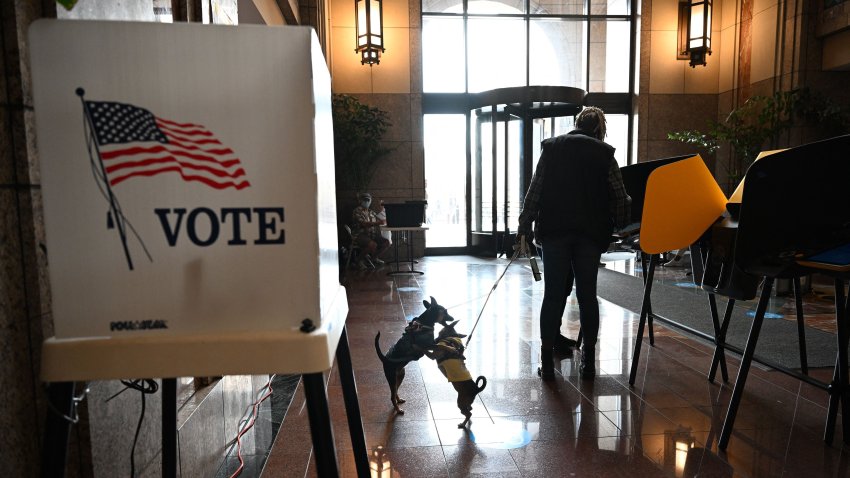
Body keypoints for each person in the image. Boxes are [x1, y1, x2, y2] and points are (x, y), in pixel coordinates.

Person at [517, 107, 631, 380]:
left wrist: (524, 225)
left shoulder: (553, 148)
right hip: (589, 235)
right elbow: (619, 197)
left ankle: (546, 360)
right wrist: (620, 226)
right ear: (599, 129)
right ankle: (588, 360)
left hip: (555, 233)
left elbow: (535, 190)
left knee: (553, 295)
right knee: (587, 295)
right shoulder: (605, 154)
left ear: (577, 123)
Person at [352, 192, 391, 269]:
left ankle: (372, 259)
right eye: (365, 200)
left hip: (371, 235)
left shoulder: (371, 212)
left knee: (387, 242)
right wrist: (377, 223)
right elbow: (364, 224)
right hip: (359, 235)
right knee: (372, 245)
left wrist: (387, 219)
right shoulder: (357, 211)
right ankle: (358, 261)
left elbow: (381, 220)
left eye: (368, 200)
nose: (366, 202)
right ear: (360, 201)